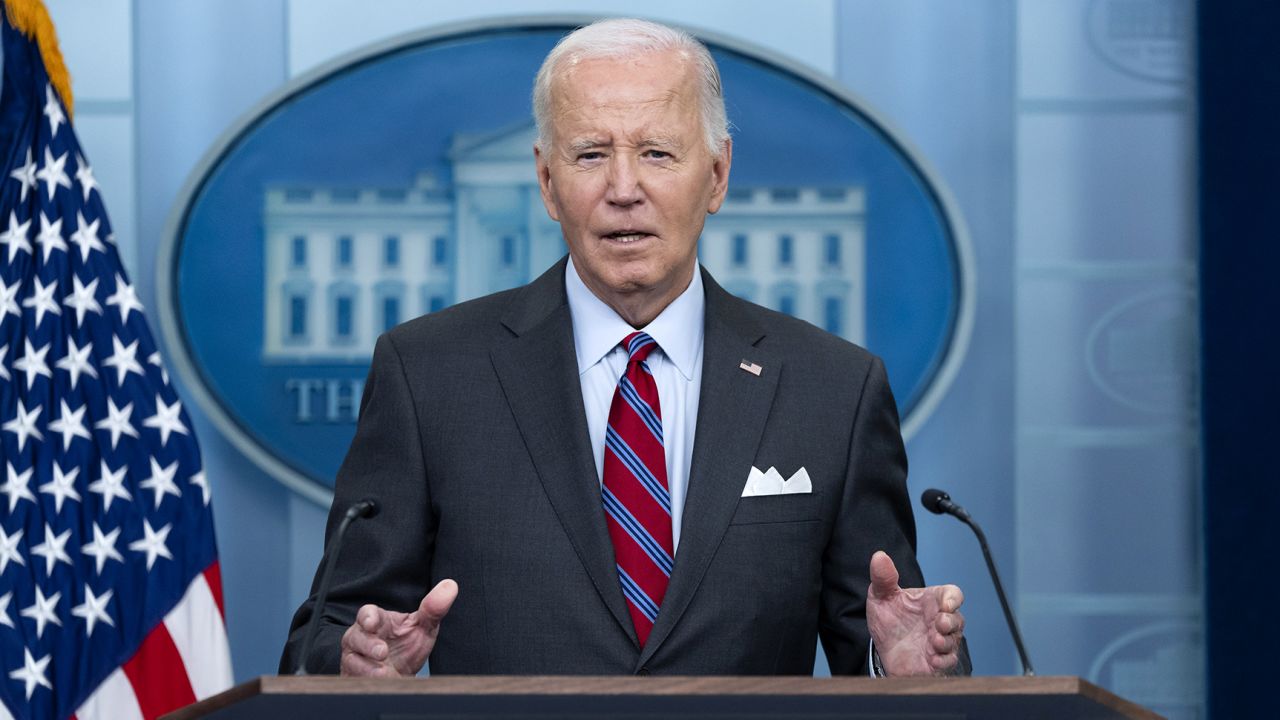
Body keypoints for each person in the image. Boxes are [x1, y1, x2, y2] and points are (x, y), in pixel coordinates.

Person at [280, 18, 968, 678]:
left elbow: (887, 632)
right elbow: (329, 630)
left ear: (719, 176)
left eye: (657, 153)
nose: (623, 189)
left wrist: (902, 668)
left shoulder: (833, 390)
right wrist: (353, 660)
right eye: (590, 155)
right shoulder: (429, 374)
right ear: (548, 182)